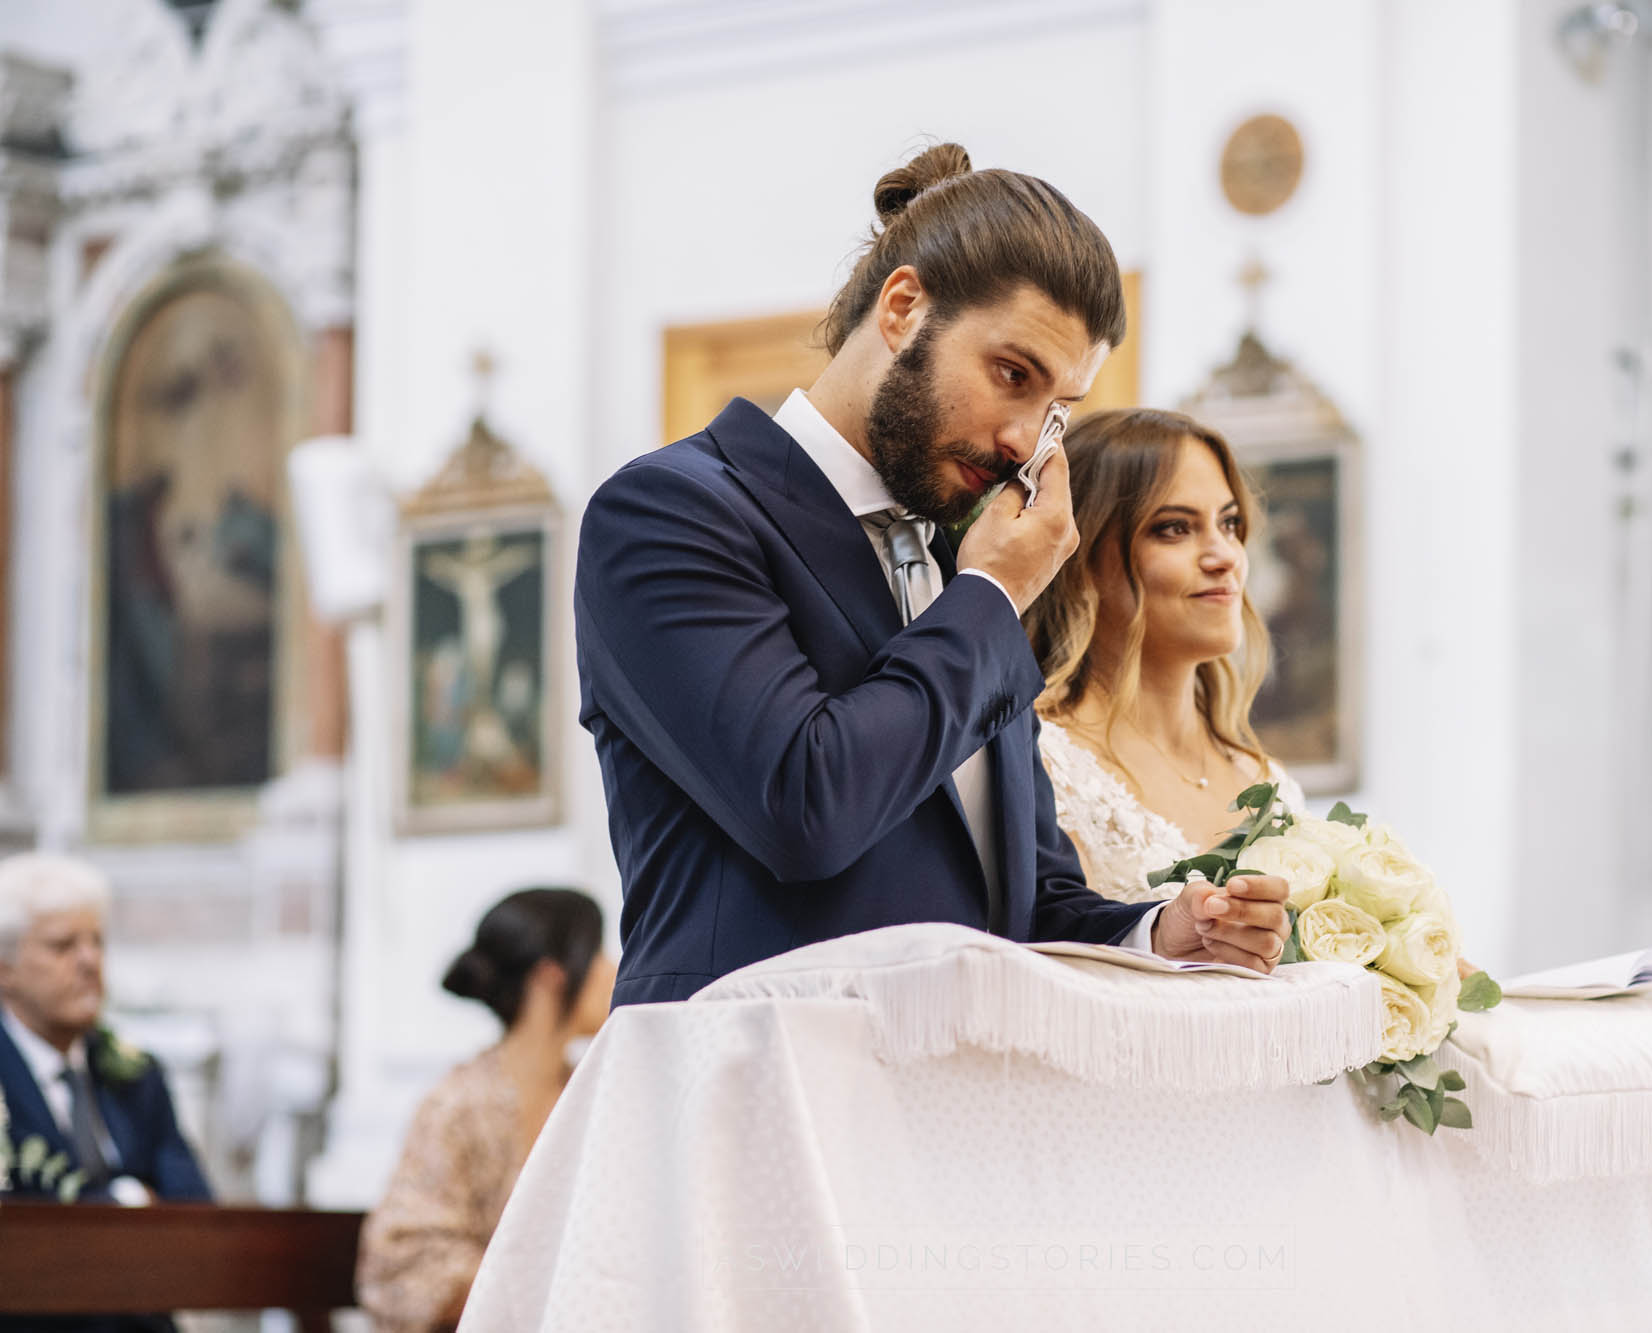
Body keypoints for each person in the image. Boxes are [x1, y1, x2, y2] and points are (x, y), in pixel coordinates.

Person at [573, 143, 1292, 1004]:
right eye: (1012, 375)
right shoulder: (670, 512)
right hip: (754, 1085)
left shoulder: (966, 567)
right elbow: (806, 806)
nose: (1029, 439)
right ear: (905, 307)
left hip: (954, 1111)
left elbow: (1023, 904)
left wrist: (1165, 931)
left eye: (1059, 409)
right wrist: (990, 598)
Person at [1023, 409, 1309, 898]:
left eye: (1230, 523)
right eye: (1175, 528)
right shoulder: (1043, 763)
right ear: (1081, 555)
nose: (1224, 557)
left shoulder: (1267, 782)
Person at [357, 887, 613, 1333]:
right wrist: (545, 1283)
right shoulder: (458, 1106)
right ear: (551, 974)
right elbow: (401, 1269)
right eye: (597, 954)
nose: (614, 970)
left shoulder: (595, 1095)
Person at [0, 854, 210, 1333]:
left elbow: (194, 1213)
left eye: (97, 941)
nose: (89, 961)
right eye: (63, 946)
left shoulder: (137, 1076)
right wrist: (127, 1202)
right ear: (4, 970)